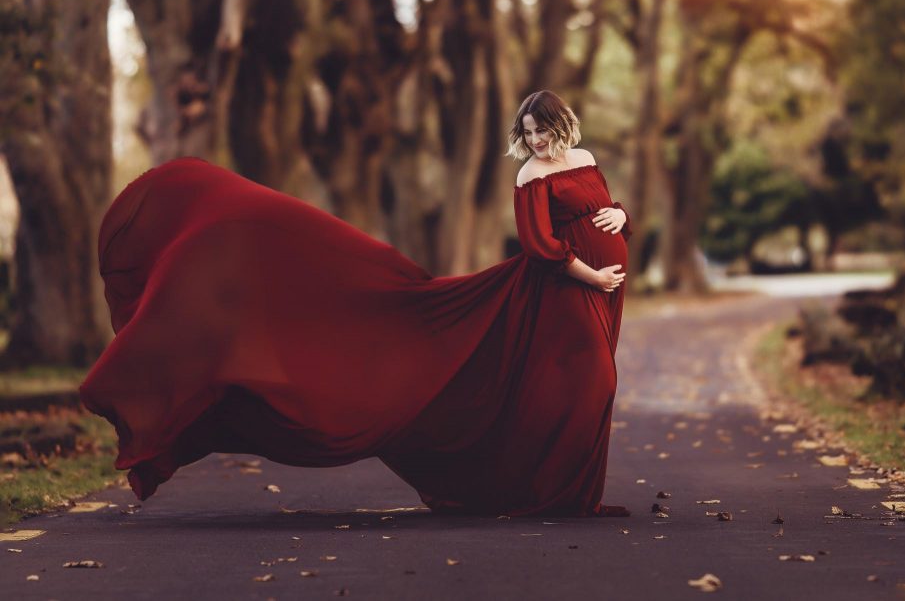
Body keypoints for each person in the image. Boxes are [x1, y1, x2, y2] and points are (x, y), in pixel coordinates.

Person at [79, 89, 634, 518]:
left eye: (542, 131)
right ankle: (554, 493)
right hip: (563, 289)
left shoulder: (582, 157)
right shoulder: (530, 174)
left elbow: (604, 203)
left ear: (561, 127)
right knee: (593, 382)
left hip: (601, 284)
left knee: (578, 386)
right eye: (528, 132)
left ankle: (572, 499)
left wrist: (622, 216)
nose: (536, 141)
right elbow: (538, 245)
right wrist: (591, 276)